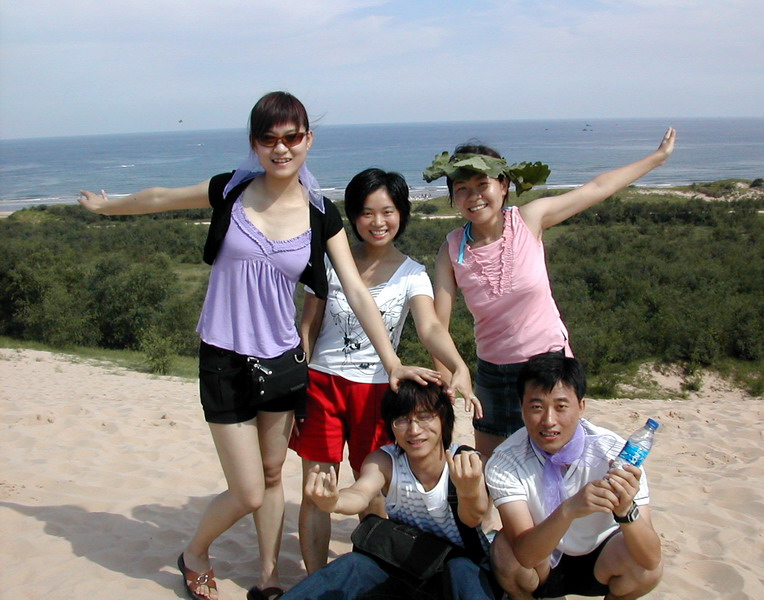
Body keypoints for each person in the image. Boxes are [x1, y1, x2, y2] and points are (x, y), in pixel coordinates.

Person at [77, 92, 440, 600]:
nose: (281, 148)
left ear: (308, 140)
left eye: (292, 137)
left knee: (272, 474)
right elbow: (160, 197)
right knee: (248, 490)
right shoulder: (231, 189)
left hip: (282, 361)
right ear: (255, 143)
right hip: (223, 357)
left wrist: (392, 361)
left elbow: (356, 290)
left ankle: (268, 577)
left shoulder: (320, 213)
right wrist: (108, 206)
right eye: (269, 139)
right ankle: (195, 552)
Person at [426, 128, 676, 457]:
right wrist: (447, 386)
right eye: (462, 189)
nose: (474, 197)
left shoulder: (528, 219)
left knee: (554, 459)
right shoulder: (452, 248)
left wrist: (656, 159)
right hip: (492, 374)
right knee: (491, 466)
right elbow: (437, 326)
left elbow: (597, 188)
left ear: (503, 185)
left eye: (482, 185)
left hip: (548, 365)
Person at [290, 167, 482, 573]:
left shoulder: (412, 273)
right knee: (317, 488)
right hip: (322, 383)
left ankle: (371, 573)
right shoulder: (328, 261)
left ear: (402, 213)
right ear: (352, 216)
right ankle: (314, 581)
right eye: (366, 212)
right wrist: (297, 386)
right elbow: (308, 327)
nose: (377, 222)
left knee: (373, 490)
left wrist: (458, 365)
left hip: (379, 390)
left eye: (388, 211)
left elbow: (430, 327)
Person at [282, 380, 499, 600]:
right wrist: (335, 502)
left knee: (461, 568)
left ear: (443, 418)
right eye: (402, 420)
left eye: (425, 416)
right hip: (405, 569)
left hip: (457, 574)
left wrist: (468, 491)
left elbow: (473, 518)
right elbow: (360, 493)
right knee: (353, 564)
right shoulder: (385, 461)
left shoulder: (468, 463)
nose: (414, 430)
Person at [485, 352, 662, 599]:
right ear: (521, 408)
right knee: (504, 553)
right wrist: (568, 510)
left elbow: (651, 559)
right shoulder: (505, 461)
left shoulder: (615, 453)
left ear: (581, 407)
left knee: (646, 571)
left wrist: (625, 511)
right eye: (536, 407)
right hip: (541, 562)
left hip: (601, 561)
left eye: (561, 407)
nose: (549, 421)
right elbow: (525, 557)